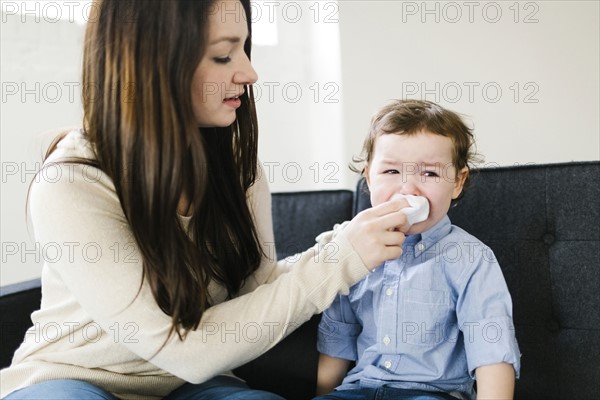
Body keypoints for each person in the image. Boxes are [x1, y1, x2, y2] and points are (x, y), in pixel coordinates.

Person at [0, 1, 411, 399]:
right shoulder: (71, 183)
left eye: (244, 49)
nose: (249, 72)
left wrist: (348, 244)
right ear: (154, 61)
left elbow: (259, 293)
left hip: (195, 386)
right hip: (74, 379)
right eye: (222, 55)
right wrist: (338, 259)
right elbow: (180, 349)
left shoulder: (233, 163)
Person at [315, 100, 521, 400]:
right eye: (391, 171)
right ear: (368, 177)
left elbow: (491, 348)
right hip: (359, 389)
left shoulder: (470, 258)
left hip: (432, 393)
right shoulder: (353, 251)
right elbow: (338, 336)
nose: (408, 189)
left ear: (457, 183)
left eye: (430, 174)